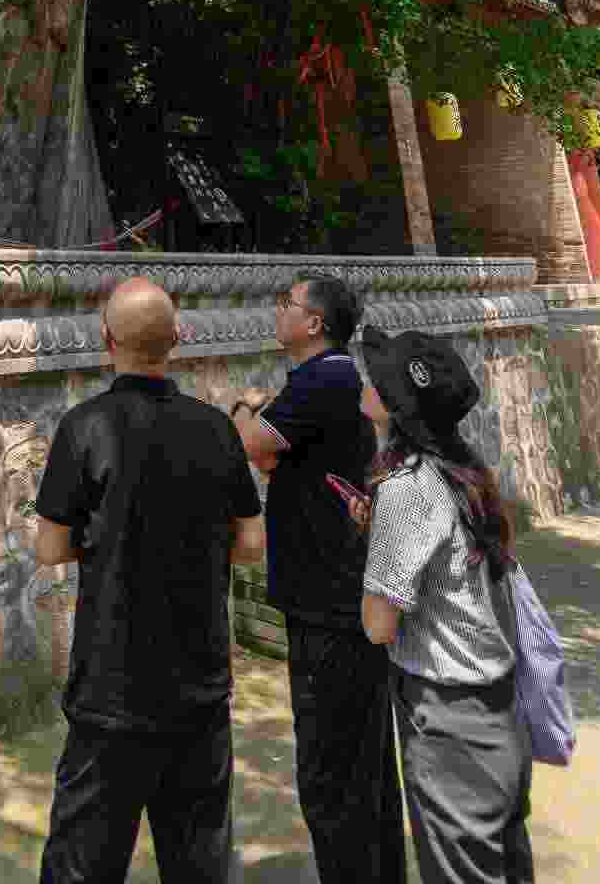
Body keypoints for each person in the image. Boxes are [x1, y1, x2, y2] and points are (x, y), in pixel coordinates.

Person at [34, 276, 265, 884]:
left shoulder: (83, 427)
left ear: (106, 340)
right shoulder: (216, 430)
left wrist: (110, 545)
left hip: (111, 689)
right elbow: (250, 545)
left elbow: (50, 546)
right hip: (200, 685)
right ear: (177, 339)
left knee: (82, 864)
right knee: (201, 861)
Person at [232, 273, 405, 884]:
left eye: (289, 304)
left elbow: (250, 443)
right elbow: (272, 454)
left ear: (315, 323)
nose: (278, 311)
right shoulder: (328, 382)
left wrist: (241, 409)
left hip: (329, 604)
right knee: (361, 764)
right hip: (337, 596)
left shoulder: (323, 379)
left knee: (331, 772)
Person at [357, 325, 533, 884]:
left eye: (378, 378)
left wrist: (377, 553)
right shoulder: (463, 470)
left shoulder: (406, 488)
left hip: (449, 719)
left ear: (396, 407)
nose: (366, 381)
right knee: (507, 865)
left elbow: (378, 624)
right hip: (498, 712)